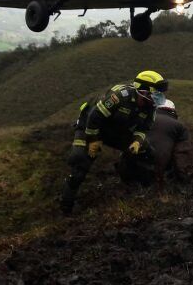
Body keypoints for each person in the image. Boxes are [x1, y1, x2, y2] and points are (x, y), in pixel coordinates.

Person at [60, 70, 168, 215]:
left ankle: (134, 183)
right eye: (156, 93)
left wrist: (137, 142)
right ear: (143, 91)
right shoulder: (119, 97)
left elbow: (144, 129)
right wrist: (93, 140)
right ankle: (66, 206)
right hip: (90, 127)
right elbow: (94, 117)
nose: (158, 97)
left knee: (147, 153)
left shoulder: (151, 108)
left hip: (117, 131)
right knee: (80, 162)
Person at [117, 99, 193, 190]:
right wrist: (186, 179)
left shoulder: (141, 119)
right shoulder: (179, 126)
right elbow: (181, 156)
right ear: (173, 111)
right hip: (155, 176)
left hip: (127, 173)